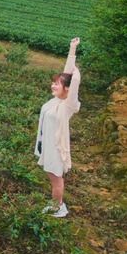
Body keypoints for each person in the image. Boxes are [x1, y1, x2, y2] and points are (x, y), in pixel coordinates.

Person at [35, 37, 80, 218]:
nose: (53, 85)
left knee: (56, 179)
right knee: (51, 175)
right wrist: (72, 50)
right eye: (53, 82)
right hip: (46, 143)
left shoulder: (67, 105)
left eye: (57, 84)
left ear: (67, 89)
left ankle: (58, 207)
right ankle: (56, 203)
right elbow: (67, 74)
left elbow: (73, 80)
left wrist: (76, 73)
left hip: (56, 148)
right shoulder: (56, 100)